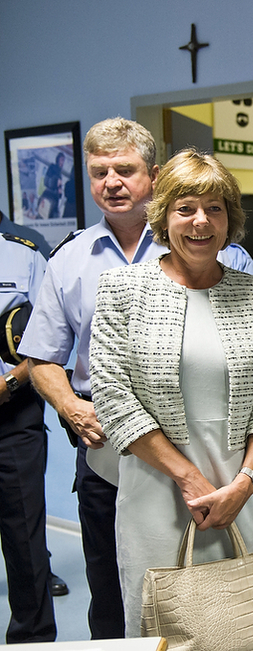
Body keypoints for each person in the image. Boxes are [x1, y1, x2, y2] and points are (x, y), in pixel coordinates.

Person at [18, 116, 253, 639]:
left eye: (124, 170)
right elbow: (41, 358)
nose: (111, 183)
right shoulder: (69, 260)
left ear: (153, 173)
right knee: (114, 586)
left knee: (209, 591)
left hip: (207, 448)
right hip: (106, 444)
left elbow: (251, 356)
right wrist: (71, 407)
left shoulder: (213, 248)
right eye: (99, 172)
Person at [88, 148, 253, 636]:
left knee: (242, 625)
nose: (201, 221)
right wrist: (189, 480)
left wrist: (245, 481)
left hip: (243, 490)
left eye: (214, 208)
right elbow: (113, 396)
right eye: (186, 208)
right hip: (157, 491)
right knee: (163, 628)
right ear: (164, 216)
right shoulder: (122, 289)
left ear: (229, 220)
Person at [0, 232, 56, 643]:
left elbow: (44, 343)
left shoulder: (24, 257)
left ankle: (31, 640)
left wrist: (8, 386)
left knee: (25, 541)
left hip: (12, 415)